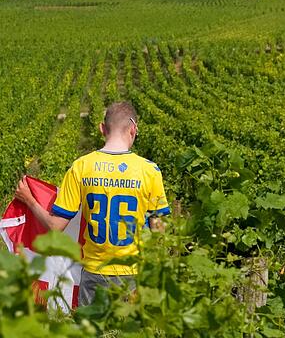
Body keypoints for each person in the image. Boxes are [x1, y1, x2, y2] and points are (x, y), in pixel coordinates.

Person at [13, 101, 169, 307]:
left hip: (94, 272)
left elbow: (54, 227)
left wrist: (30, 200)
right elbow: (160, 233)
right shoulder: (150, 171)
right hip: (132, 273)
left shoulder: (81, 167)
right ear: (133, 130)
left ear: (101, 128)